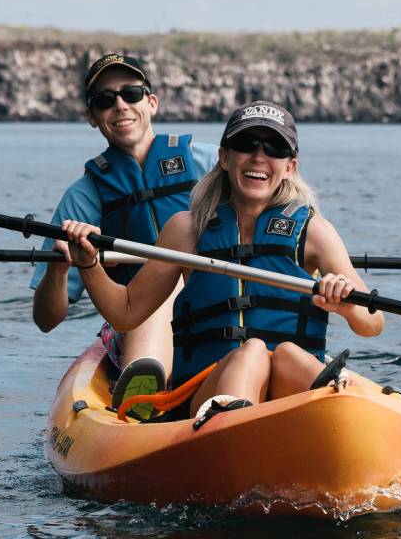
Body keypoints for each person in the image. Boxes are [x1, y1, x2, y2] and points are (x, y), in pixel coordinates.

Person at [58, 100, 382, 427]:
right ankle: (237, 424)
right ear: (224, 158)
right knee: (253, 351)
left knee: (285, 354)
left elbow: (373, 321)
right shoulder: (186, 230)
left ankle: (340, 415)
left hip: (288, 393)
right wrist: (88, 264)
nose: (259, 157)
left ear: (290, 166)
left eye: (274, 148)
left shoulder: (314, 232)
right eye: (245, 144)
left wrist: (347, 307)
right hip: (202, 393)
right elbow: (125, 312)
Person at [31, 53, 217, 420]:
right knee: (162, 283)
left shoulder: (211, 164)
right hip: (136, 317)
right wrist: (58, 266)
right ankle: (143, 401)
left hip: (216, 312)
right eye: (105, 99)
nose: (120, 106)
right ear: (92, 116)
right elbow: (46, 319)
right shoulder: (84, 197)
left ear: (151, 102)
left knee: (178, 276)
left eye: (131, 94)